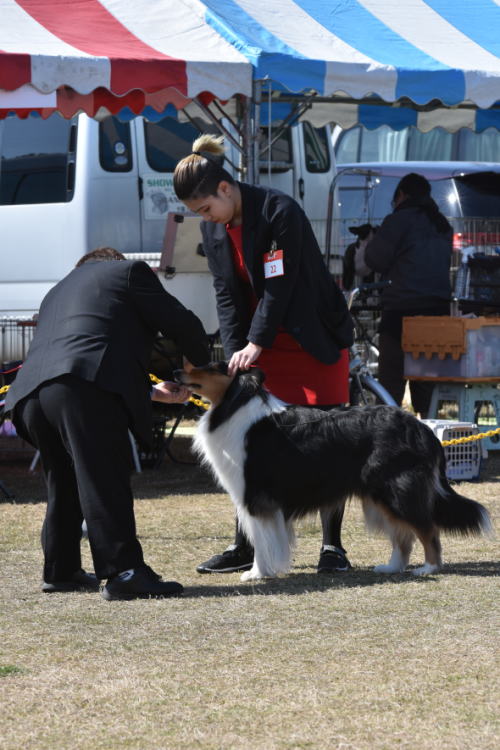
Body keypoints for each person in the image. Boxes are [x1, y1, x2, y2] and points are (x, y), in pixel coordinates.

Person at [173, 135, 354, 575]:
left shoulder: (279, 210)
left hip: (312, 338)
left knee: (330, 437)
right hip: (258, 343)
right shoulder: (213, 231)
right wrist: (238, 348)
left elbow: (281, 284)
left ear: (224, 188)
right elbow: (226, 294)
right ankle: (246, 545)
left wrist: (256, 339)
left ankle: (333, 547)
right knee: (245, 442)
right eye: (199, 215)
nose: (206, 218)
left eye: (205, 208)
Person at [4, 247, 210, 600]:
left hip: (30, 396)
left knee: (65, 479)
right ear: (113, 262)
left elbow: (84, 347)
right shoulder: (129, 272)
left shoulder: (59, 289)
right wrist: (203, 371)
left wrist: (149, 391)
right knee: (104, 476)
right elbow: (183, 322)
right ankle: (125, 573)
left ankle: (61, 570)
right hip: (80, 390)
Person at [356, 172, 452, 417]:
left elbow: (373, 259)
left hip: (402, 314)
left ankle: (388, 436)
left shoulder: (398, 220)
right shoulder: (442, 225)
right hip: (437, 316)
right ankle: (430, 434)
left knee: (391, 384)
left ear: (401, 195)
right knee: (426, 385)